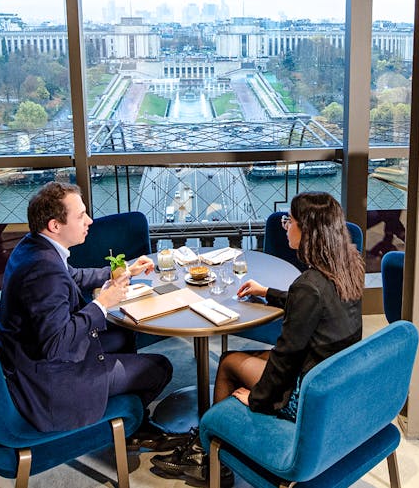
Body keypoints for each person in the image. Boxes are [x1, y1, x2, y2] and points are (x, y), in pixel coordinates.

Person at [150, 192, 364, 485]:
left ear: (308, 230)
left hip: (305, 392)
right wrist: (268, 292)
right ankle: (217, 446)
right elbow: (316, 306)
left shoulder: (309, 287)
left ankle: (208, 458)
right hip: (331, 380)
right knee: (254, 361)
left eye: (290, 220)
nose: (285, 225)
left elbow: (286, 358)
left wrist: (258, 399)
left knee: (228, 363)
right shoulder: (349, 266)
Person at [0, 182, 187, 450]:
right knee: (160, 367)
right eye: (80, 215)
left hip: (28, 362)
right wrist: (102, 303)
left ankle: (127, 414)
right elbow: (56, 345)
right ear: (55, 225)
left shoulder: (34, 247)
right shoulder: (43, 271)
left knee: (122, 334)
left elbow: (71, 275)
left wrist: (122, 271)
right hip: (51, 383)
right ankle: (126, 426)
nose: (90, 220)